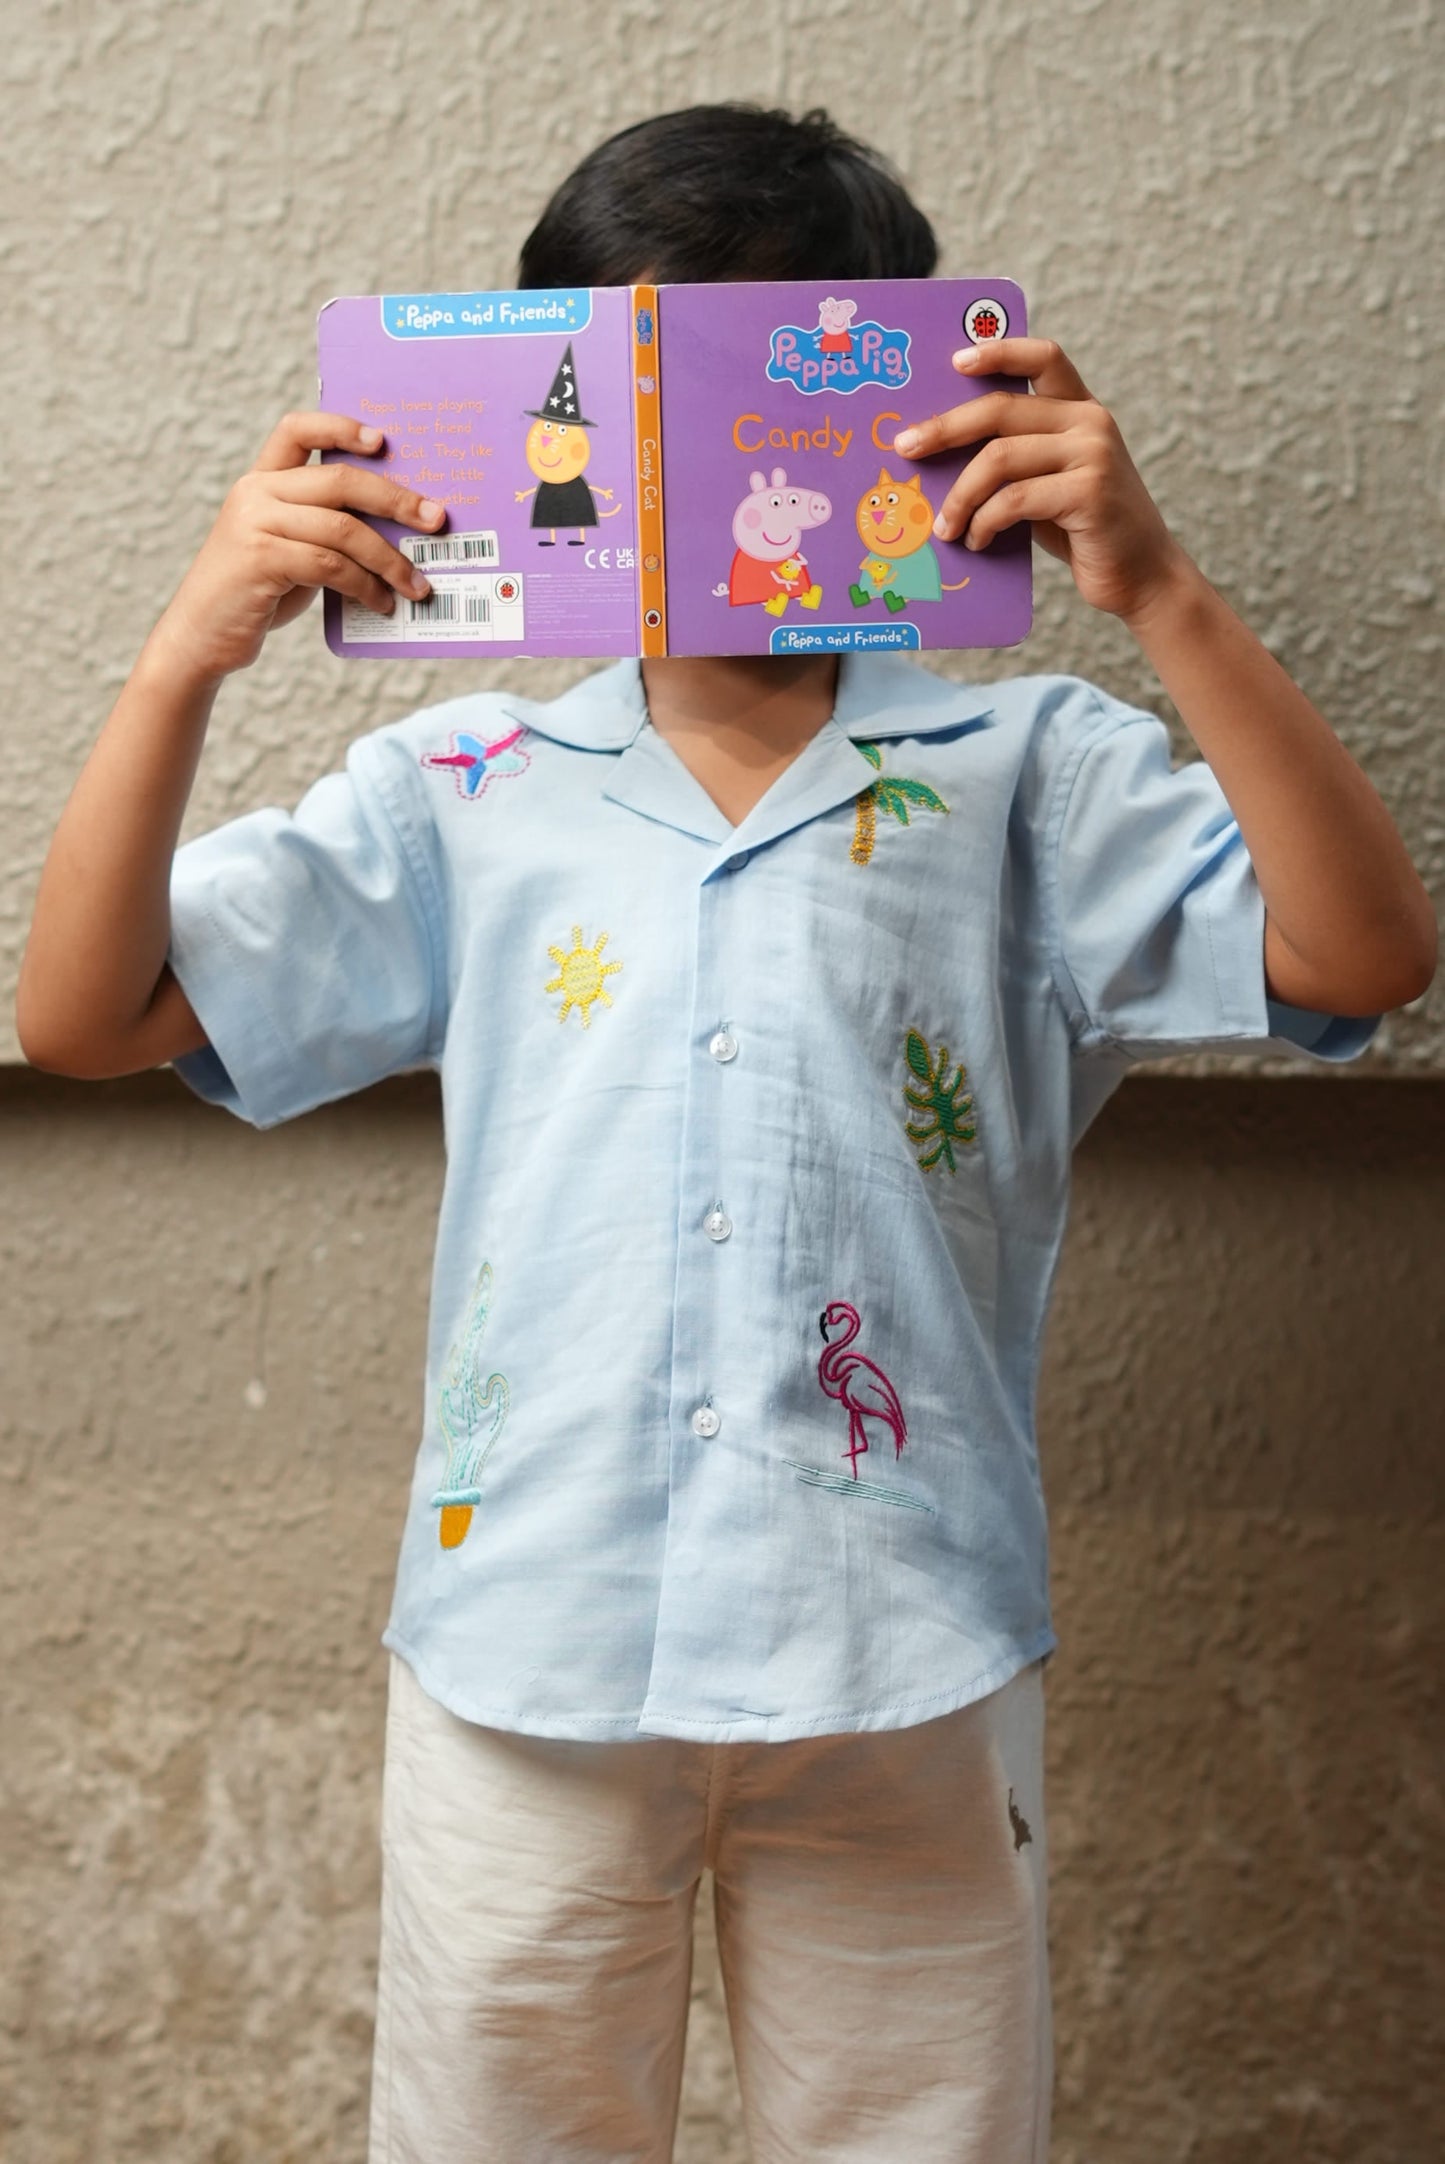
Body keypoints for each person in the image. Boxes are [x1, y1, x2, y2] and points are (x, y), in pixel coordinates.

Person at [15, 102, 1435, 2164]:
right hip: (528, 1647)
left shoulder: (1027, 765)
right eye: (622, 402)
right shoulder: (468, 775)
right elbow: (84, 1015)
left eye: (766, 387)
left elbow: (1361, 949)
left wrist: (1158, 587)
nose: (693, 475)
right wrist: (188, 649)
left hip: (904, 1643)